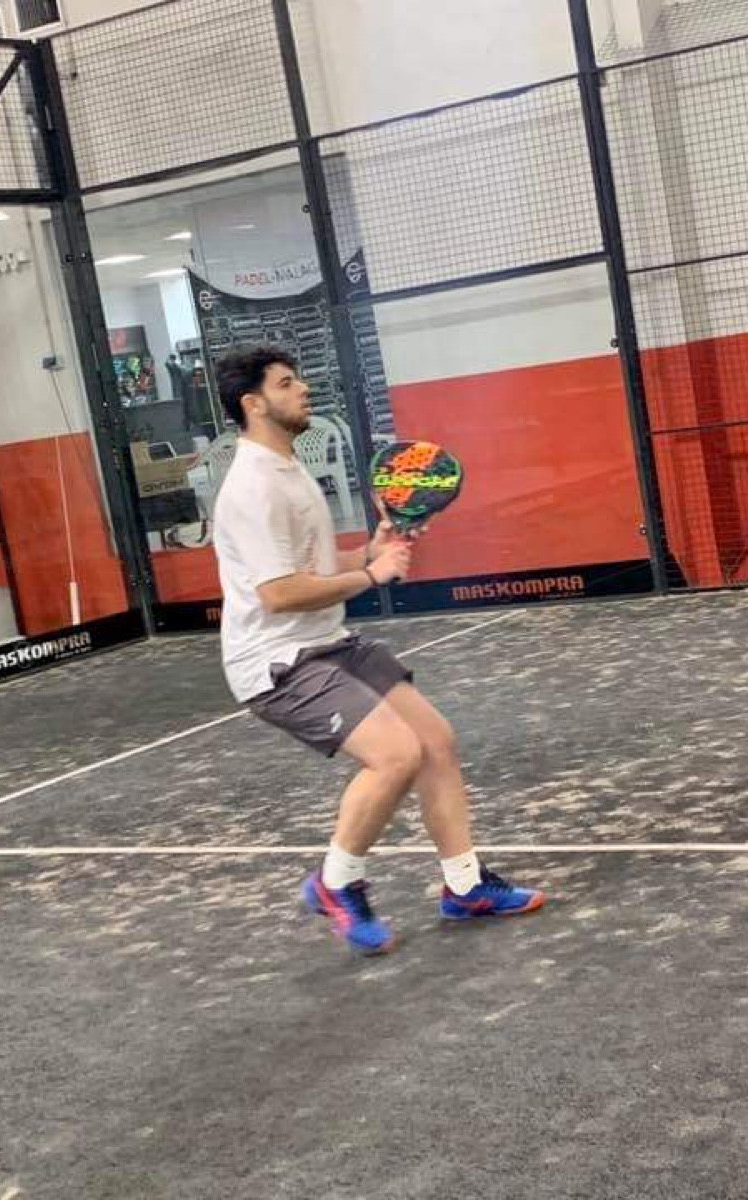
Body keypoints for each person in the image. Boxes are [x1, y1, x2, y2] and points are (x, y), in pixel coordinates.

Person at [211, 345, 544, 955]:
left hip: (327, 639)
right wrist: (372, 576)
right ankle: (337, 882)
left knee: (436, 742)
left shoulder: (288, 468)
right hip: (278, 662)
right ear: (253, 405)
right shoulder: (252, 487)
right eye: (286, 384)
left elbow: (310, 567)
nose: (303, 388)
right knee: (396, 755)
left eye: (298, 379)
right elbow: (279, 594)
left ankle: (465, 886)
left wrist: (369, 550)